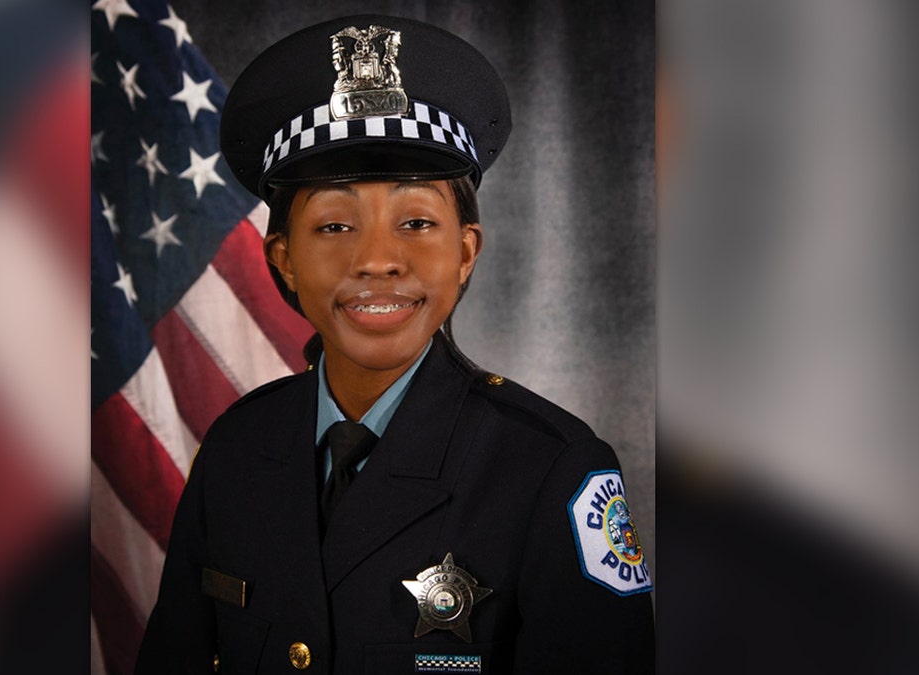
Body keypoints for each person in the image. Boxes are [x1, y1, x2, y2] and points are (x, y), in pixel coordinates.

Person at [135, 14, 654, 674]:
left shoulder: (553, 473)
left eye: (415, 221)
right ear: (284, 258)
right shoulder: (233, 455)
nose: (377, 259)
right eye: (333, 225)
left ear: (465, 253)